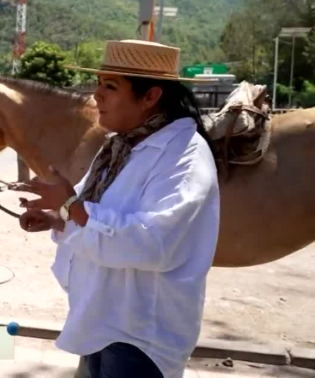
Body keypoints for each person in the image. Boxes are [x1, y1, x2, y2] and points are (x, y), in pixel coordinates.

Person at [15, 40, 221, 378]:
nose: (97, 94)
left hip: (141, 337)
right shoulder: (121, 147)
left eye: (110, 86)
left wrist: (70, 206)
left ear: (151, 96)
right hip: (100, 319)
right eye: (98, 83)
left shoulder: (184, 156)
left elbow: (154, 243)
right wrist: (57, 218)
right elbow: (87, 212)